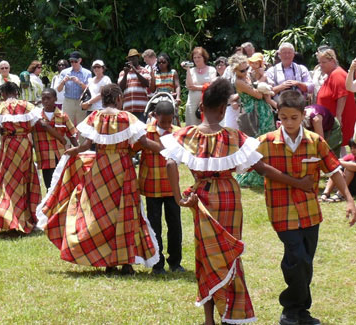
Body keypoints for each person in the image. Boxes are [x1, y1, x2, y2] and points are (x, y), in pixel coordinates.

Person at [160, 79, 314, 325]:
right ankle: (232, 311)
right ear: (223, 108)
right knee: (229, 254)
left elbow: (169, 163)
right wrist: (296, 182)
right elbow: (262, 168)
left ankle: (209, 318)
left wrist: (179, 198)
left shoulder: (186, 135)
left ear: (202, 105)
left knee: (206, 255)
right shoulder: (233, 137)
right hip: (229, 198)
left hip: (202, 198)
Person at [37, 84, 161, 275]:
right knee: (125, 213)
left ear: (103, 99)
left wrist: (73, 152)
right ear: (119, 98)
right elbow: (143, 143)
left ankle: (108, 262)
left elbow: (86, 144)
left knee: (101, 214)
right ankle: (126, 263)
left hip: (101, 169)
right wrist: (167, 149)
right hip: (123, 168)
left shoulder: (95, 117)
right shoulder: (128, 118)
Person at [256, 90, 356, 325]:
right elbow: (242, 164)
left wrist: (350, 200)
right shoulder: (265, 142)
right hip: (281, 211)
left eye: (294, 117)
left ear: (303, 115)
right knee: (297, 258)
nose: (289, 123)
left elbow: (333, 169)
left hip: (310, 212)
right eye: (284, 117)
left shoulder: (315, 141)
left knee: (305, 262)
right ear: (278, 116)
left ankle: (301, 312)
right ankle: (290, 310)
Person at [0, 82, 42, 234]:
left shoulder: (0, 107)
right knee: (24, 180)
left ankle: (7, 216)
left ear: (3, 94)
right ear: (16, 93)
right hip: (24, 145)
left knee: (7, 181)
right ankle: (25, 217)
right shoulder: (27, 106)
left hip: (9, 145)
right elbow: (34, 129)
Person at [133, 100, 183, 275]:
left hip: (172, 188)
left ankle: (176, 262)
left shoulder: (178, 133)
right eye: (164, 122)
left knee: (175, 225)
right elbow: (132, 150)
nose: (167, 125)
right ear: (155, 116)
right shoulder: (145, 133)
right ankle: (157, 263)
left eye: (170, 121)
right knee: (155, 227)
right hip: (152, 188)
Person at [231, 54, 277, 188]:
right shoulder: (238, 81)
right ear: (235, 71)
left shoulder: (246, 78)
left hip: (263, 112)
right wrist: (262, 78)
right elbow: (257, 94)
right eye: (242, 70)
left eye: (246, 69)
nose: (246, 72)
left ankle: (268, 171)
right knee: (258, 143)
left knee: (268, 141)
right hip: (255, 114)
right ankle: (254, 175)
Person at [32, 88, 78, 188]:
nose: (45, 101)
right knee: (49, 185)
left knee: (61, 184)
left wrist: (79, 151)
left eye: (48, 98)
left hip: (60, 155)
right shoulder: (36, 117)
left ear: (55, 99)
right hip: (45, 156)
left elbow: (72, 134)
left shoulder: (63, 116)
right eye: (43, 98)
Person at [316, 49, 356, 147]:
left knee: (339, 148)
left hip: (339, 123)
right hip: (331, 122)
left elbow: (342, 95)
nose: (320, 65)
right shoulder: (331, 74)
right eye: (319, 62)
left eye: (323, 62)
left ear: (333, 61)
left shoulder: (337, 74)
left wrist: (338, 117)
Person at [183, 46, 217, 126]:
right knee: (192, 126)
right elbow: (189, 86)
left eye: (199, 57)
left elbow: (212, 86)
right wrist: (187, 70)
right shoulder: (191, 71)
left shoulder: (211, 69)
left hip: (206, 102)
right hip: (192, 102)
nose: (196, 59)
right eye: (194, 57)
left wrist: (196, 87)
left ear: (204, 57)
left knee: (206, 125)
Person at [57, 51, 91, 128]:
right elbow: (59, 89)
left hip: (81, 101)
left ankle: (82, 141)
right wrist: (63, 81)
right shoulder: (64, 72)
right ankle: (67, 140)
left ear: (80, 60)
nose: (73, 63)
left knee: (82, 127)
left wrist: (79, 82)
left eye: (75, 61)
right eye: (71, 61)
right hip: (68, 101)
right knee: (67, 126)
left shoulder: (87, 73)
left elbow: (88, 89)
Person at [119, 49, 151, 122]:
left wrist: (136, 72)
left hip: (142, 108)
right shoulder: (123, 72)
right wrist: (126, 74)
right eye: (130, 58)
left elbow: (146, 83)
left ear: (138, 58)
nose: (132, 60)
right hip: (128, 109)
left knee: (142, 130)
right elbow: (121, 88)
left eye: (134, 58)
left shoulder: (144, 70)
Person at [149, 53, 182, 125]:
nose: (161, 64)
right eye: (159, 62)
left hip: (170, 97)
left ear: (168, 63)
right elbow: (152, 90)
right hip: (158, 99)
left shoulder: (173, 72)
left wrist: (178, 97)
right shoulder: (155, 74)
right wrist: (152, 77)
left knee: (173, 117)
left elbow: (177, 86)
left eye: (163, 62)